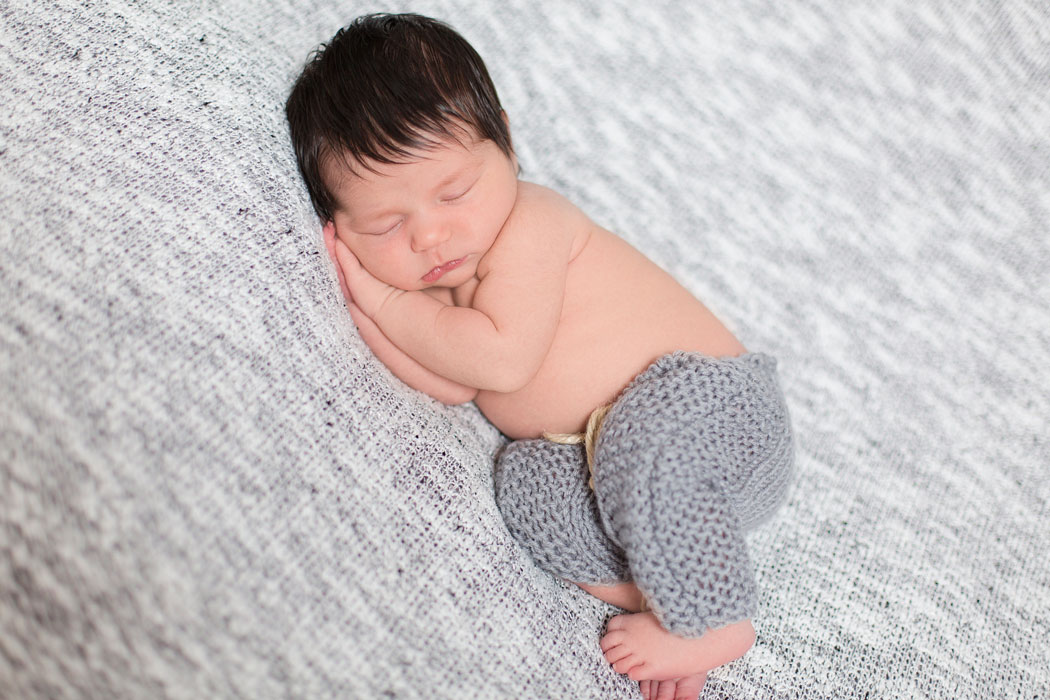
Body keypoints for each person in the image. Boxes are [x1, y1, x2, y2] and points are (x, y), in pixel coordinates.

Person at [286, 13, 793, 700]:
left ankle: (713, 615)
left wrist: (385, 304)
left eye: (454, 191)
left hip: (717, 415)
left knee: (641, 435)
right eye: (385, 225)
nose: (432, 235)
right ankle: (665, 597)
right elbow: (452, 380)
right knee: (527, 483)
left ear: (508, 145)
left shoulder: (531, 224)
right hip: (624, 477)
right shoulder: (443, 291)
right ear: (340, 229)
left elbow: (500, 364)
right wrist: (361, 303)